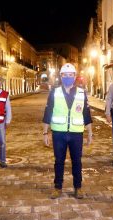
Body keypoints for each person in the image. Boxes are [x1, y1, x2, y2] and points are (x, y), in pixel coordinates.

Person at [43, 63, 93, 199]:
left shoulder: (82, 93)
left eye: (70, 75)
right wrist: (45, 132)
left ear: (75, 76)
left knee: (77, 161)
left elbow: (86, 114)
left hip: (76, 133)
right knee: (59, 161)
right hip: (58, 133)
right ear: (61, 76)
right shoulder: (55, 92)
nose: (68, 77)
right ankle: (57, 188)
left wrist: (89, 133)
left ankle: (78, 187)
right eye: (65, 75)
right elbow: (48, 112)